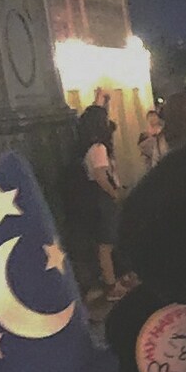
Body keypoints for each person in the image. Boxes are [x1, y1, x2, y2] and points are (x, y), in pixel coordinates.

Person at [78, 105, 125, 302]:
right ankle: (111, 283)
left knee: (109, 240)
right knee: (106, 243)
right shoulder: (98, 149)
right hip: (103, 198)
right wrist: (114, 193)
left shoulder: (91, 148)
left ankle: (115, 278)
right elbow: (100, 175)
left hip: (98, 197)